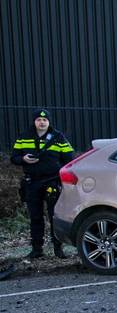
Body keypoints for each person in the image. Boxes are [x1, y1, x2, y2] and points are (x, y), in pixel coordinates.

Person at [10, 109, 74, 258]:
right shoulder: (24, 137)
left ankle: (58, 249)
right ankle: (37, 249)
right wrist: (23, 159)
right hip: (31, 182)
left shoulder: (58, 137)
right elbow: (14, 158)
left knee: (54, 216)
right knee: (35, 217)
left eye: (45, 120)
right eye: (39, 119)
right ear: (34, 121)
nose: (42, 122)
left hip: (52, 181)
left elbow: (69, 158)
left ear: (49, 122)